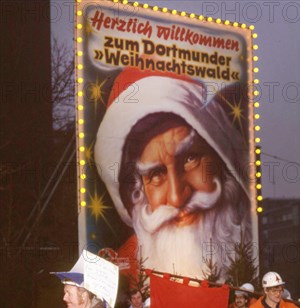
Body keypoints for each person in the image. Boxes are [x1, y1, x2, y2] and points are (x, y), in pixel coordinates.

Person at [94, 68, 252, 280]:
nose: (178, 197)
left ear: (220, 158)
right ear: (138, 192)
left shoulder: (250, 248)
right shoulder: (120, 275)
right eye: (156, 173)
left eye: (190, 159)